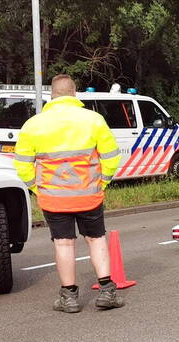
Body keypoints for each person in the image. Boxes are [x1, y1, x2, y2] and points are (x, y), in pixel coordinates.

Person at [14, 74, 124, 313]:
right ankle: (107, 291)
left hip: (53, 197)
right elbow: (112, 157)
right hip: (89, 194)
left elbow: (22, 164)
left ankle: (69, 297)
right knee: (96, 239)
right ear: (74, 93)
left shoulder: (33, 125)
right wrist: (102, 181)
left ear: (52, 95)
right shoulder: (93, 120)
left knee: (64, 244)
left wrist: (37, 187)